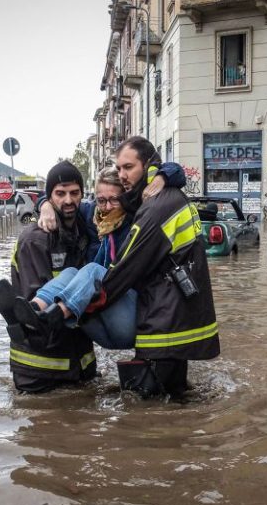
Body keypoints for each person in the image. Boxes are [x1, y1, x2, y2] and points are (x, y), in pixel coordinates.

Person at [91, 136, 220, 396]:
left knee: (154, 407)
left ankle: (54, 312)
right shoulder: (160, 196)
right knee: (173, 400)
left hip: (164, 323)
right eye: (118, 169)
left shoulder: (156, 206)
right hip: (172, 317)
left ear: (148, 166)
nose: (122, 175)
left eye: (128, 167)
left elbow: (128, 266)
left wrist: (94, 300)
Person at [0, 160, 95, 393]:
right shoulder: (35, 238)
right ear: (49, 196)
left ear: (82, 193)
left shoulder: (84, 229)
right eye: (60, 194)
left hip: (79, 364)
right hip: (39, 370)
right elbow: (29, 303)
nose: (68, 200)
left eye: (74, 193)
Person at [13, 168, 138, 349]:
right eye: (102, 200)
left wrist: (163, 177)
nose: (107, 207)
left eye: (114, 200)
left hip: (126, 321)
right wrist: (45, 206)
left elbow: (170, 174)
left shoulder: (137, 220)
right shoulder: (91, 215)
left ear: (125, 197)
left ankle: (53, 318)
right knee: (71, 272)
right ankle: (32, 312)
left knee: (93, 270)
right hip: (103, 323)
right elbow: (58, 199)